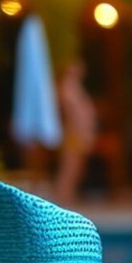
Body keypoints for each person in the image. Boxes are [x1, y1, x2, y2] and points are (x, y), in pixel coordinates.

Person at [53, 59, 96, 203]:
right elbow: (70, 113)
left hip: (79, 133)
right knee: (70, 167)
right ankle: (62, 198)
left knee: (77, 167)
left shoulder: (74, 86)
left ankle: (68, 196)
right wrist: (79, 131)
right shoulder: (66, 86)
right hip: (73, 132)